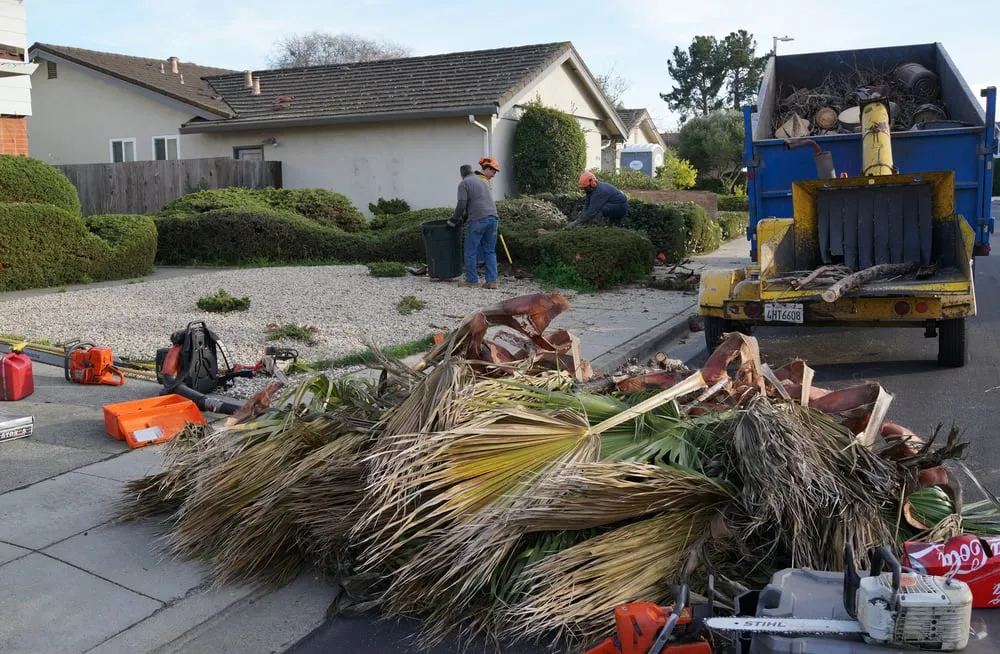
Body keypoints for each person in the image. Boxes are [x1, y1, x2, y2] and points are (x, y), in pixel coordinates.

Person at [447, 157, 500, 288]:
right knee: (490, 251)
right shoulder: (482, 181)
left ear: (461, 175)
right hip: (493, 218)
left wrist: (454, 219)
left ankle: (472, 281)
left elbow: (462, 204)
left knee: (470, 251)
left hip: (478, 220)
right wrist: (466, 216)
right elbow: (479, 202)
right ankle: (491, 281)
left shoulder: (464, 183)